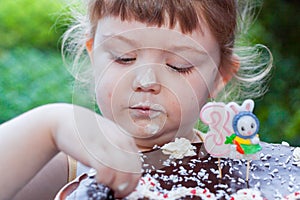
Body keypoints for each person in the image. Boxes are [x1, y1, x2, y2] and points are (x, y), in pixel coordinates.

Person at [0, 0, 272, 199]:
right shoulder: (70, 166)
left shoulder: (240, 172)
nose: (146, 81)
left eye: (178, 65)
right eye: (123, 58)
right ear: (93, 56)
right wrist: (48, 126)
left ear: (219, 76)